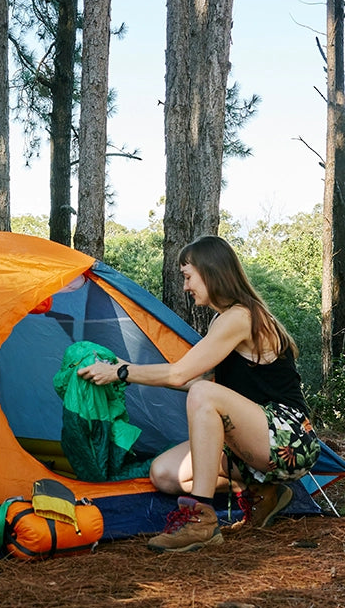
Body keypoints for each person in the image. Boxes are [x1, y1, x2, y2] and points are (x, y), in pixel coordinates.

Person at [77, 235, 320, 553]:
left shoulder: (241, 317)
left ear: (211, 272)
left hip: (289, 438)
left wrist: (123, 371)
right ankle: (262, 488)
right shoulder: (223, 319)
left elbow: (184, 376)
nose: (185, 287)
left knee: (206, 393)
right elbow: (189, 380)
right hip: (252, 442)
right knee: (164, 473)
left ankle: (200, 521)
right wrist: (127, 374)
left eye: (188, 276)